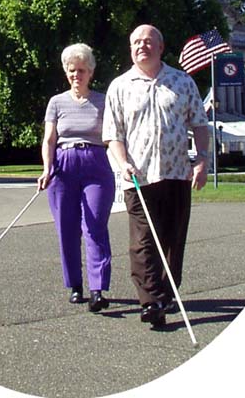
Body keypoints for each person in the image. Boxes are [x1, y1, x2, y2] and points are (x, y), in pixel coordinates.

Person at [102, 24, 209, 327]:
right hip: (138, 178)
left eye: (148, 42)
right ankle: (150, 301)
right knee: (143, 241)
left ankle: (166, 292)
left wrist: (202, 160)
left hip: (177, 174)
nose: (142, 47)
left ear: (161, 47)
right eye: (136, 42)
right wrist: (123, 163)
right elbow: (113, 134)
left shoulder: (182, 82)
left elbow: (200, 124)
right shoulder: (120, 86)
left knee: (173, 239)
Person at [38, 43, 115, 312]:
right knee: (66, 227)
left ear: (90, 72)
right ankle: (75, 285)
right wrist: (47, 167)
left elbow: (114, 136)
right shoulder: (56, 103)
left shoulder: (104, 101)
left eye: (81, 70)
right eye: (72, 70)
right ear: (66, 72)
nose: (76, 75)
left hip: (95, 162)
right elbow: (49, 139)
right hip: (63, 164)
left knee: (94, 225)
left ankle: (98, 289)